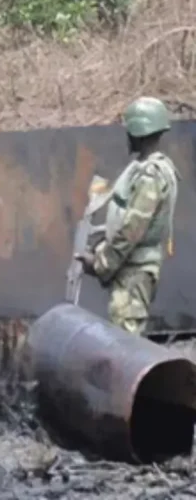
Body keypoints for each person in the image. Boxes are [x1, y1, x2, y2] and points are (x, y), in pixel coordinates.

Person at [74, 97, 178, 336]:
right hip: (130, 267)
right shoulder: (143, 168)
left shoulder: (150, 176)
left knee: (126, 345)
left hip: (135, 271)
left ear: (139, 132)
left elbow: (132, 230)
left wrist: (101, 263)